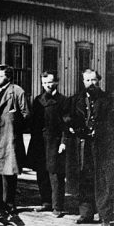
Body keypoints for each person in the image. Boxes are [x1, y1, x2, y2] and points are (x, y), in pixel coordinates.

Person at [65, 69, 114, 225]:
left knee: (104, 180)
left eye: (93, 80)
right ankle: (86, 214)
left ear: (99, 80)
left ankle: (105, 215)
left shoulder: (108, 99)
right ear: (83, 81)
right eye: (87, 80)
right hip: (83, 145)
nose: (91, 84)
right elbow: (66, 117)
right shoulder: (75, 100)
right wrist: (73, 127)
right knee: (84, 177)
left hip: (103, 146)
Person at [0, 64, 30, 217]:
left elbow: (26, 115)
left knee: (9, 172)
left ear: (9, 77)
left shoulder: (17, 91)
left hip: (9, 136)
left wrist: (13, 122)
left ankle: (9, 203)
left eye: (0, 76)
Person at [27, 71, 67, 217]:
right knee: (41, 172)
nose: (47, 85)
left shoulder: (63, 101)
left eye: (50, 82)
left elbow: (66, 125)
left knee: (55, 174)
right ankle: (46, 202)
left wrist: (63, 142)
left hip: (54, 141)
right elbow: (32, 122)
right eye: (44, 83)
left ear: (56, 82)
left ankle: (58, 206)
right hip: (39, 141)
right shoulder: (38, 100)